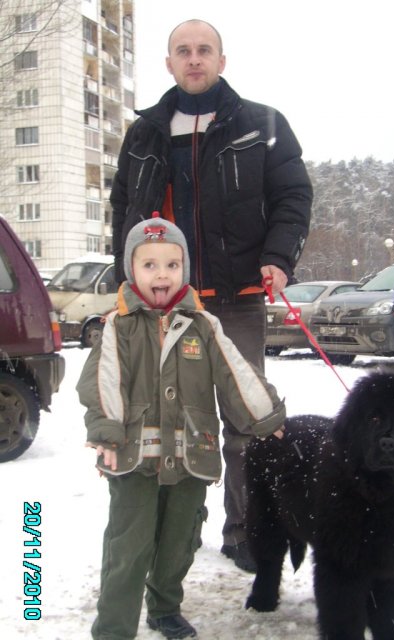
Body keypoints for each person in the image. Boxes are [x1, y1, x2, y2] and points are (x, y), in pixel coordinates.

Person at [110, 18, 312, 572]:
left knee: (246, 420)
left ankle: (247, 530)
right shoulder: (145, 133)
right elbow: (123, 209)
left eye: (204, 51)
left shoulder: (261, 124)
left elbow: (293, 195)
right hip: (163, 301)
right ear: (168, 63)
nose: (194, 59)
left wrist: (278, 258)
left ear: (222, 61)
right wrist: (122, 275)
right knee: (167, 419)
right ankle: (173, 530)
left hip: (237, 295)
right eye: (183, 51)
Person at [77, 215, 286, 640]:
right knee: (128, 547)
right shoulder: (119, 326)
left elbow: (236, 375)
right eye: (149, 264)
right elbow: (102, 382)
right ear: (131, 270)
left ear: (185, 271)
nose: (162, 275)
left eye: (172, 265)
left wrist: (266, 419)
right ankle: (114, 626)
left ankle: (165, 606)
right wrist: (107, 434)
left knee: (180, 542)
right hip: (134, 457)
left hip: (192, 454)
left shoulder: (203, 325)